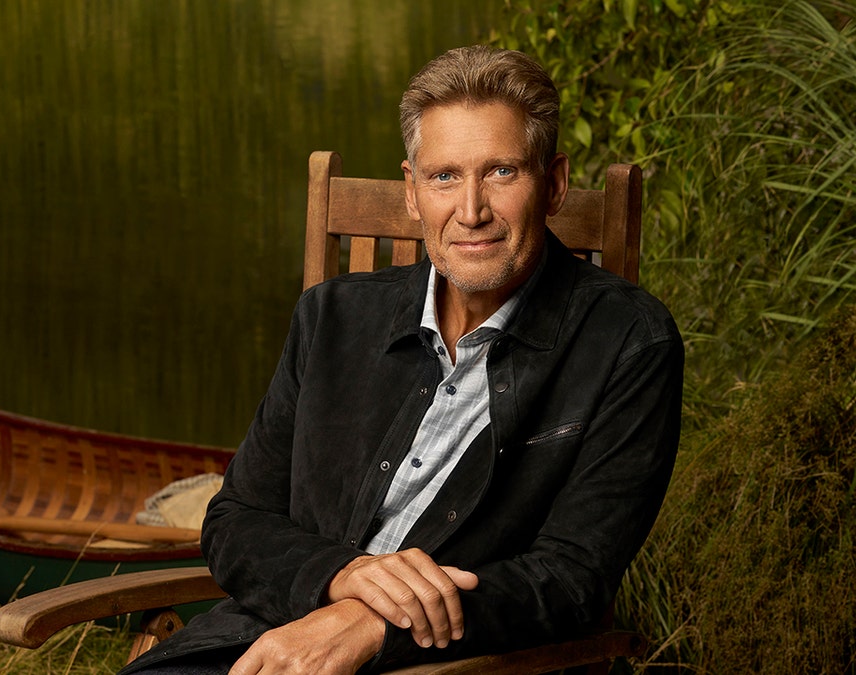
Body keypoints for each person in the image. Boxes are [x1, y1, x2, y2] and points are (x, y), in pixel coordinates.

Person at [122, 44, 683, 675]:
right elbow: (236, 519)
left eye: (501, 172)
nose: (471, 212)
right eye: (444, 176)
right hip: (270, 640)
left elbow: (572, 577)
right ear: (412, 192)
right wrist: (345, 579)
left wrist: (376, 623)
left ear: (552, 184)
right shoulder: (330, 317)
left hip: (457, 664)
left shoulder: (628, 342)